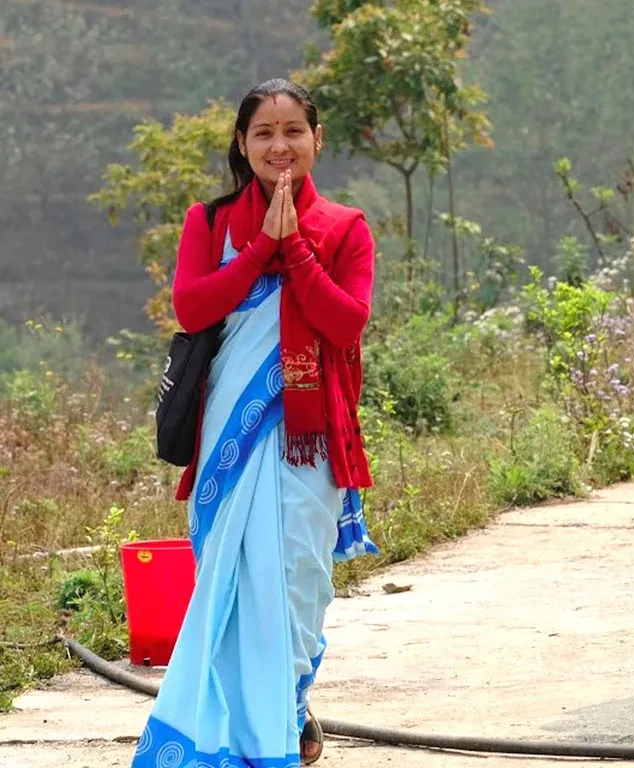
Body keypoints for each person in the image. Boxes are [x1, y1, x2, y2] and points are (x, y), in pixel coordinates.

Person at [131, 78, 379, 766]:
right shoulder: (207, 224)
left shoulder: (344, 229)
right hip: (228, 449)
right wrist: (258, 253)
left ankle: (288, 711)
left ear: (316, 139)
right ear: (242, 144)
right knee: (233, 587)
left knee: (299, 585)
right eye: (264, 133)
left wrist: (294, 248)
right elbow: (193, 308)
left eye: (293, 131)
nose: (279, 146)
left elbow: (346, 322)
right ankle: (244, 740)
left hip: (309, 445)